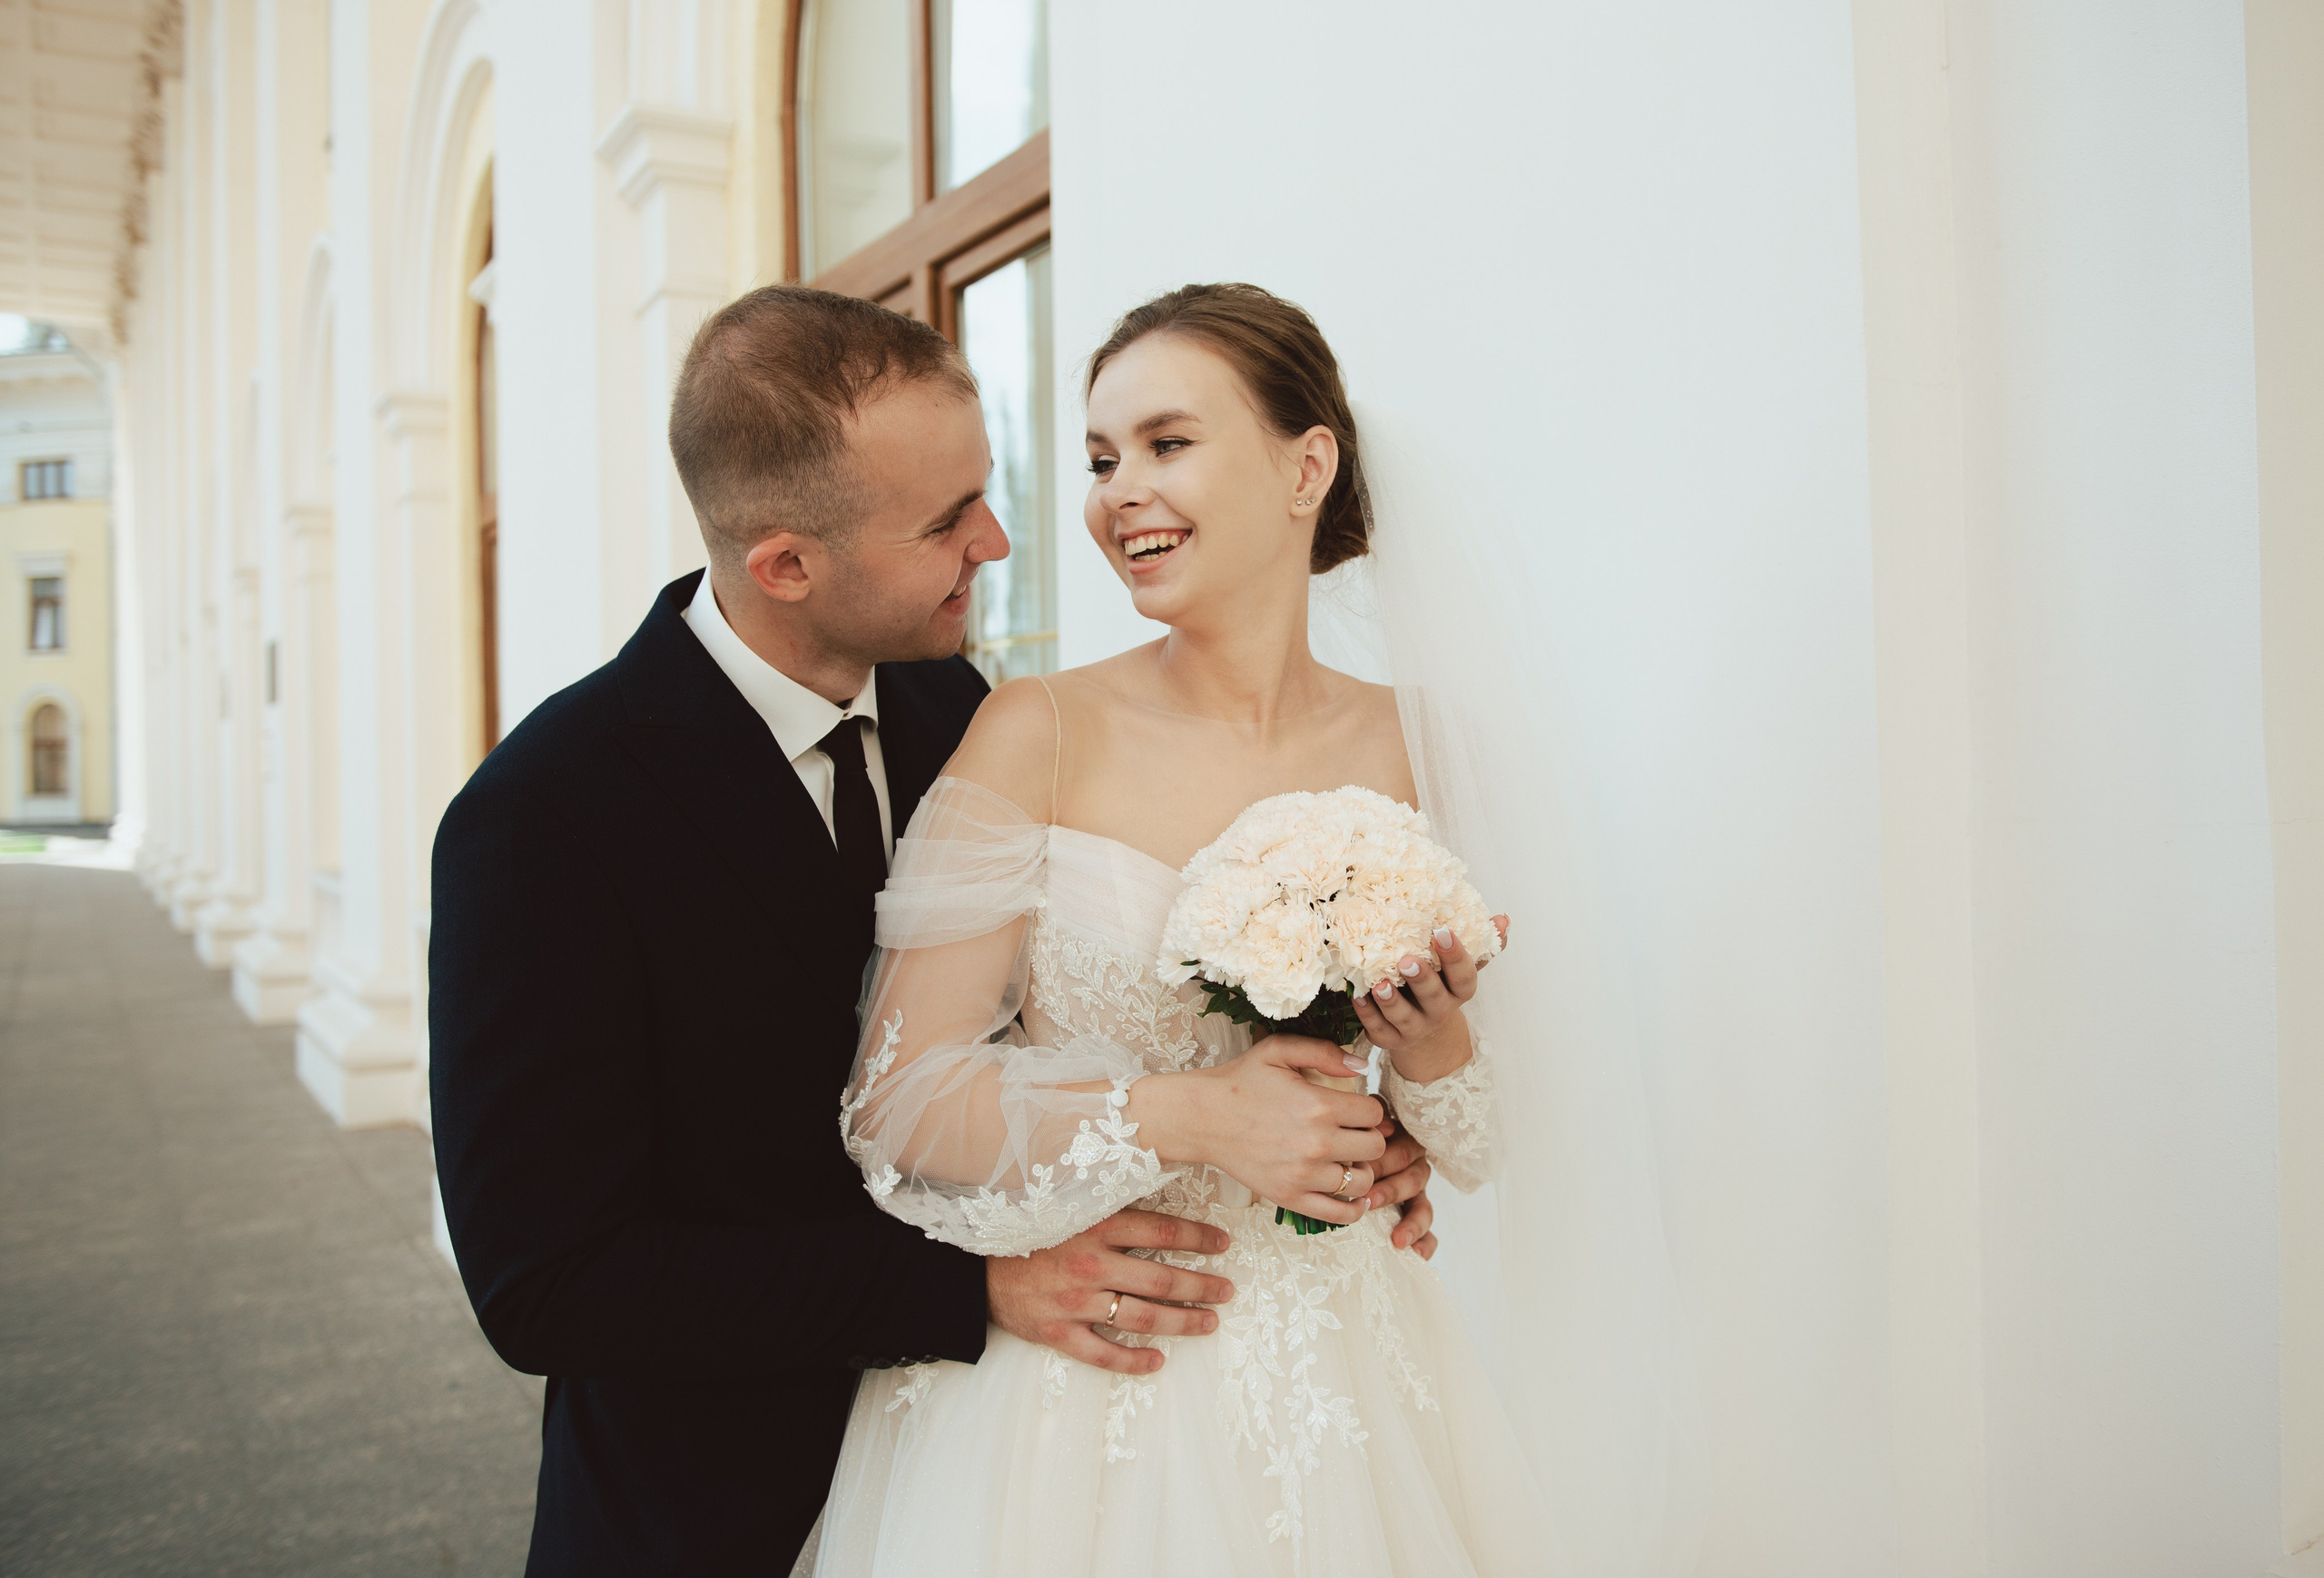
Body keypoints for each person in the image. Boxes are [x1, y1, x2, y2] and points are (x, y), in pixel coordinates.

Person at [426, 284, 1440, 1576]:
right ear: (786, 563)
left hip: (1042, 1451)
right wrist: (965, 1291)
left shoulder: (946, 698)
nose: (1002, 540)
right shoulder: (544, 819)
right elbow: (547, 1282)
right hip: (721, 1500)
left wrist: (1332, 1112)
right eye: (948, 521)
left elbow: (1046, 1013)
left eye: (993, 488)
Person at [808, 284, 1551, 1577]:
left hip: (1348, 1373)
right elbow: (900, 1101)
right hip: (1091, 1382)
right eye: (1100, 459)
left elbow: (1472, 1136)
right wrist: (1195, 1114)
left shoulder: (1421, 744)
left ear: (1304, 464)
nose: (1117, 493)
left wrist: (1426, 1062)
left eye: (1165, 443)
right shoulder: (1036, 729)